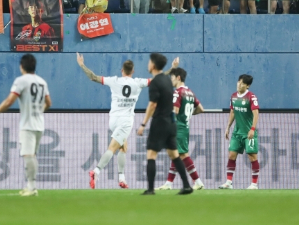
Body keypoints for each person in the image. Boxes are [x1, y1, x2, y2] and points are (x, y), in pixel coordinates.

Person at [77, 53, 149, 190]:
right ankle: (96, 171)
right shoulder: (138, 82)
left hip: (113, 120)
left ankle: (122, 178)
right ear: (132, 71)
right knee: (112, 148)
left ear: (122, 70)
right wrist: (172, 68)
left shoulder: (114, 80)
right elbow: (157, 80)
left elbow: (93, 77)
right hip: (125, 121)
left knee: (123, 147)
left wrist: (81, 64)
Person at [0, 54, 51, 197]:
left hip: (27, 125)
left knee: (28, 155)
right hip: (39, 124)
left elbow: (9, 101)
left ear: (22, 67)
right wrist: (38, 111)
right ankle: (30, 186)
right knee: (32, 156)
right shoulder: (42, 82)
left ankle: (32, 188)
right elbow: (49, 103)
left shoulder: (21, 81)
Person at [136, 53, 193, 195]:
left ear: (153, 65)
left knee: (151, 155)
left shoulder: (155, 82)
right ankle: (186, 185)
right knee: (174, 154)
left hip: (159, 122)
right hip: (171, 123)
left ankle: (150, 189)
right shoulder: (168, 80)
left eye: (149, 62)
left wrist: (143, 124)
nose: (148, 64)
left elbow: (152, 105)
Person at [158, 60, 205, 191]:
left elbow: (175, 111)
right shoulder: (190, 92)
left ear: (178, 78)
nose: (171, 80)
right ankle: (168, 183)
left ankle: (198, 181)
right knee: (176, 154)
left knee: (182, 154)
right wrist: (188, 115)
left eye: (172, 78)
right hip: (184, 126)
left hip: (178, 127)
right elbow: (201, 108)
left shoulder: (177, 92)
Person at [219, 74, 260, 190]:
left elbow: (256, 113)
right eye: (238, 82)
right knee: (231, 155)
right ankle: (228, 182)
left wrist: (252, 129)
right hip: (237, 132)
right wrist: (228, 127)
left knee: (252, 156)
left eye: (242, 83)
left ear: (247, 86)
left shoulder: (251, 97)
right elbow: (232, 112)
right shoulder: (233, 96)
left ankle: (254, 184)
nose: (239, 84)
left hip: (248, 133)